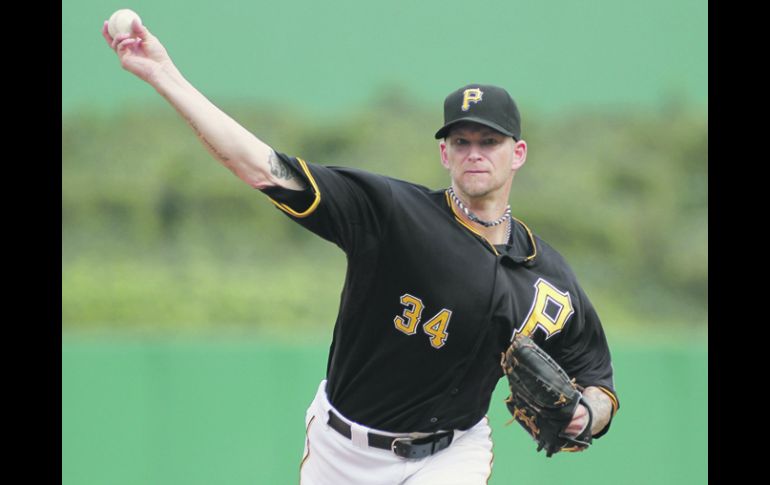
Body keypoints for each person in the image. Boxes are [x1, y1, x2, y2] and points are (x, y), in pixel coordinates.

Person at [103, 18, 619, 485]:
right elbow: (261, 167)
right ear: (443, 153)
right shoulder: (393, 214)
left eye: (490, 141)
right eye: (461, 142)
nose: (474, 153)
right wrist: (163, 74)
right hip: (343, 453)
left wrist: (586, 416)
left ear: (518, 153)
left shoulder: (546, 278)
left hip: (452, 455)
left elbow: (596, 380)